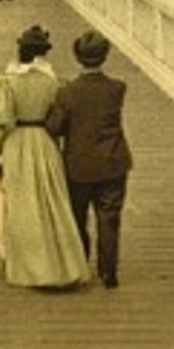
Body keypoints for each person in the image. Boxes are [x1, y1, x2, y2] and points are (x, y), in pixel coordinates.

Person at [0, 25, 90, 289]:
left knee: (22, 207)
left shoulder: (7, 82)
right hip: (45, 141)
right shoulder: (54, 82)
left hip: (18, 142)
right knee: (53, 202)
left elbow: (1, 121)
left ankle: (31, 268)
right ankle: (62, 264)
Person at [45, 30, 133, 289]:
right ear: (105, 56)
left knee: (77, 217)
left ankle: (81, 264)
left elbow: (55, 128)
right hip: (113, 162)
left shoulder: (67, 93)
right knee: (109, 218)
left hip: (79, 165)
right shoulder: (117, 88)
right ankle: (109, 272)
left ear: (77, 57)